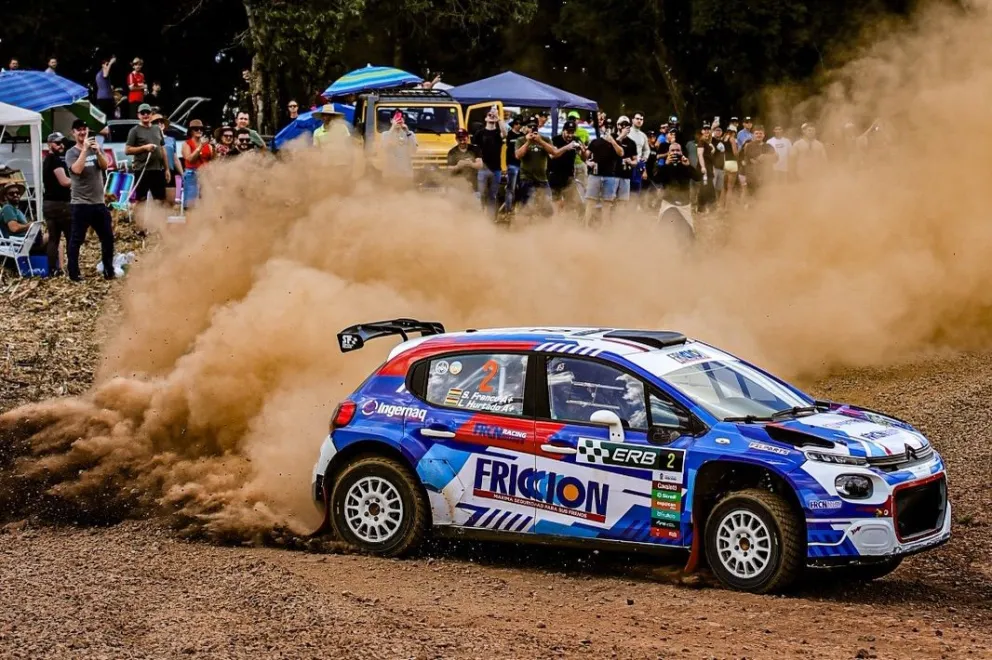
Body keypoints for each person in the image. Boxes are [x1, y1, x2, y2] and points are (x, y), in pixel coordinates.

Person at [65, 120, 114, 281]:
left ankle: (108, 270)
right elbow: (77, 170)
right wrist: (84, 150)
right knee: (77, 239)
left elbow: (105, 166)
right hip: (81, 203)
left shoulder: (95, 148)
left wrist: (98, 152)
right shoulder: (71, 153)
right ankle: (74, 273)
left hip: (98, 202)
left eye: (84, 129)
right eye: (78, 130)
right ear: (73, 133)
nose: (82, 132)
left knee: (107, 237)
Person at [514, 116, 572, 216]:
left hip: (542, 178)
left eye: (534, 127)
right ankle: (525, 223)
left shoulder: (545, 139)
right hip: (527, 178)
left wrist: (540, 141)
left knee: (548, 208)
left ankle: (543, 224)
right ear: (526, 128)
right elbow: (518, 155)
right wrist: (528, 142)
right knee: (528, 206)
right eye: (530, 126)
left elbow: (554, 152)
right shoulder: (521, 140)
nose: (532, 129)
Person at [654, 142, 702, 243]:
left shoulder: (685, 165)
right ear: (668, 153)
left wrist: (688, 166)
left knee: (690, 236)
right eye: (672, 150)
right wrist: (666, 165)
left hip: (684, 205)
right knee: (660, 231)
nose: (675, 152)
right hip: (668, 203)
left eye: (677, 150)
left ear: (681, 152)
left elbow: (698, 178)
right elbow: (657, 179)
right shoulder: (665, 166)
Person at [125, 103, 168, 207]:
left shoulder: (157, 129)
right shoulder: (134, 131)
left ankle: (157, 217)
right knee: (141, 200)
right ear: (138, 115)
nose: (145, 115)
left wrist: (166, 169)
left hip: (157, 169)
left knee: (160, 199)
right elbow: (127, 150)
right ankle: (139, 218)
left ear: (151, 114)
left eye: (147, 112)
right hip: (142, 169)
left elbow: (163, 149)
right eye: (143, 113)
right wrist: (144, 148)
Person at [42, 133, 73, 276]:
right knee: (70, 237)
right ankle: (73, 269)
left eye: (62, 143)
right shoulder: (55, 160)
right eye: (57, 143)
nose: (61, 146)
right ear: (49, 144)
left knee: (53, 239)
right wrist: (79, 181)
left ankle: (52, 270)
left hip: (48, 204)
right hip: (61, 205)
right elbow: (64, 182)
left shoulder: (47, 160)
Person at [584, 120, 624, 224]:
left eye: (610, 127)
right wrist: (587, 162)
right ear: (603, 128)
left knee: (607, 204)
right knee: (590, 202)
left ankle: (604, 227)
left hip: (610, 176)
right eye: (606, 127)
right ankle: (586, 225)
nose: (608, 129)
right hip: (595, 175)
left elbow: (621, 153)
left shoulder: (616, 142)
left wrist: (613, 141)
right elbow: (586, 155)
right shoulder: (595, 141)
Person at [473, 106, 506, 216]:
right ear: (485, 118)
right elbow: (474, 149)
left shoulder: (498, 133)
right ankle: (480, 216)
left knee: (492, 196)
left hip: (496, 169)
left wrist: (498, 118)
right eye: (489, 115)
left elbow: (505, 133)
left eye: (493, 115)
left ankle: (491, 219)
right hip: (482, 169)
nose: (492, 116)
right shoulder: (479, 133)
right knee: (481, 195)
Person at [548, 120, 587, 211]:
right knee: (556, 203)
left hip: (569, 176)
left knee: (576, 204)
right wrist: (567, 147)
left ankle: (569, 218)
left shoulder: (576, 140)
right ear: (563, 131)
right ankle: (556, 219)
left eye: (572, 132)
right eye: (568, 132)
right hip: (555, 175)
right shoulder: (555, 140)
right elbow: (553, 155)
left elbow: (584, 159)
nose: (570, 135)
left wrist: (583, 151)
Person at [1, 182, 46, 261]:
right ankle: (55, 266)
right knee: (54, 238)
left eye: (17, 193)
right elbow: (14, 228)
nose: (15, 195)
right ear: (5, 197)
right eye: (11, 193)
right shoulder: (7, 208)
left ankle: (51, 265)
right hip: (18, 243)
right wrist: (30, 225)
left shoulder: (17, 210)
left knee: (54, 239)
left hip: (25, 241)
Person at [181, 120, 212, 208]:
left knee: (205, 203)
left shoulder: (208, 145)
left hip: (205, 174)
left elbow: (212, 160)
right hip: (192, 174)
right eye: (196, 129)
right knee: (191, 204)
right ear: (191, 131)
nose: (199, 131)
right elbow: (190, 159)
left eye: (201, 129)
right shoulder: (186, 144)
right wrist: (200, 146)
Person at [739, 125, 777, 198]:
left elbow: (776, 158)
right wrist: (768, 157)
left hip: (766, 177)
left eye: (760, 133)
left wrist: (766, 156)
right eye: (756, 133)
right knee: (753, 198)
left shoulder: (768, 146)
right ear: (753, 135)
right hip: (752, 179)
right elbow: (754, 160)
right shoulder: (749, 146)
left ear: (764, 135)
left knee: (766, 198)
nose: (758, 135)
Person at [379, 111, 417, 181]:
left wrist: (407, 132)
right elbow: (383, 148)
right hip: (389, 174)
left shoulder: (410, 134)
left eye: (400, 118)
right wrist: (392, 127)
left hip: (406, 174)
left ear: (404, 120)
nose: (398, 121)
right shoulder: (385, 134)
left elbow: (414, 150)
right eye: (396, 118)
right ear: (391, 120)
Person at [154, 115, 183, 203]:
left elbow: (175, 158)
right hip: (156, 171)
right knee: (158, 201)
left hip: (170, 171)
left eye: (161, 122)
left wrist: (182, 174)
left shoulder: (171, 139)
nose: (160, 124)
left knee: (171, 200)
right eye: (157, 123)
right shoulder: (150, 139)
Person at [613, 117, 638, 211]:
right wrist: (621, 136)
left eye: (627, 125)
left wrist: (631, 162)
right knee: (609, 200)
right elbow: (607, 149)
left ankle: (620, 218)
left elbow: (636, 161)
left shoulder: (632, 143)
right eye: (622, 125)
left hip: (625, 175)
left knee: (622, 202)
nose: (624, 127)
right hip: (612, 175)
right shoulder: (612, 137)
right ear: (617, 125)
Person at [446, 128, 482, 193]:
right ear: (456, 139)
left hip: (473, 185)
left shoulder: (475, 149)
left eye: (464, 139)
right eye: (460, 140)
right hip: (457, 186)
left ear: (468, 138)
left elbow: (480, 165)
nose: (462, 142)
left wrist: (471, 164)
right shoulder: (452, 152)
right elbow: (449, 169)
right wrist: (457, 166)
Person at [501, 117, 524, 213]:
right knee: (511, 188)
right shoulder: (509, 135)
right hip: (512, 164)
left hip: (521, 164)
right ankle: (508, 210)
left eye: (520, 123)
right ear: (513, 125)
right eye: (516, 123)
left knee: (521, 188)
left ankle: (519, 209)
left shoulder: (523, 135)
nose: (518, 125)